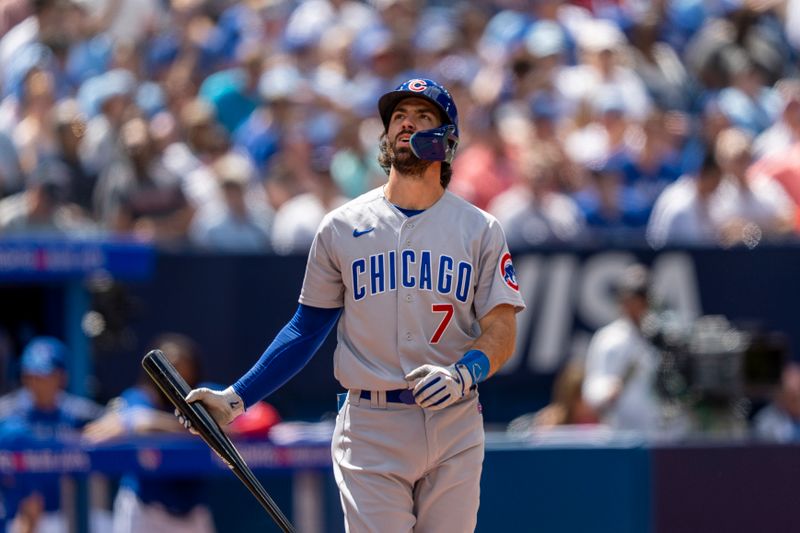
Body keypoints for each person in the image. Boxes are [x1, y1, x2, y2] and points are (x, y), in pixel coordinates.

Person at [180, 78, 526, 532]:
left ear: (448, 141)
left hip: (454, 420)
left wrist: (466, 373)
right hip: (371, 422)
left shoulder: (480, 228)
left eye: (424, 117)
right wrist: (237, 397)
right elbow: (305, 329)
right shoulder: (341, 227)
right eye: (399, 116)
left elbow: (501, 329)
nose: (407, 124)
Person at [83, 334, 217, 533]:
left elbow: (236, 423)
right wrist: (195, 428)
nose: (173, 372)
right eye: (167, 365)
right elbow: (131, 420)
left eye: (181, 364)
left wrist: (151, 421)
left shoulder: (206, 394)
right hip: (144, 506)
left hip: (191, 508)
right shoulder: (140, 396)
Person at [0, 336, 106, 533]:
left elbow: (112, 420)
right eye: (31, 376)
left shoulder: (74, 412)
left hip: (61, 513)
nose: (36, 383)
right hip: (14, 515)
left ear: (61, 377)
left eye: (44, 376)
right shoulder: (6, 414)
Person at [581, 264, 665, 434]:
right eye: (629, 299)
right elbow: (591, 388)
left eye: (640, 298)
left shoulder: (662, 337)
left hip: (658, 433)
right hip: (619, 434)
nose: (633, 305)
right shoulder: (608, 338)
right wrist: (607, 391)